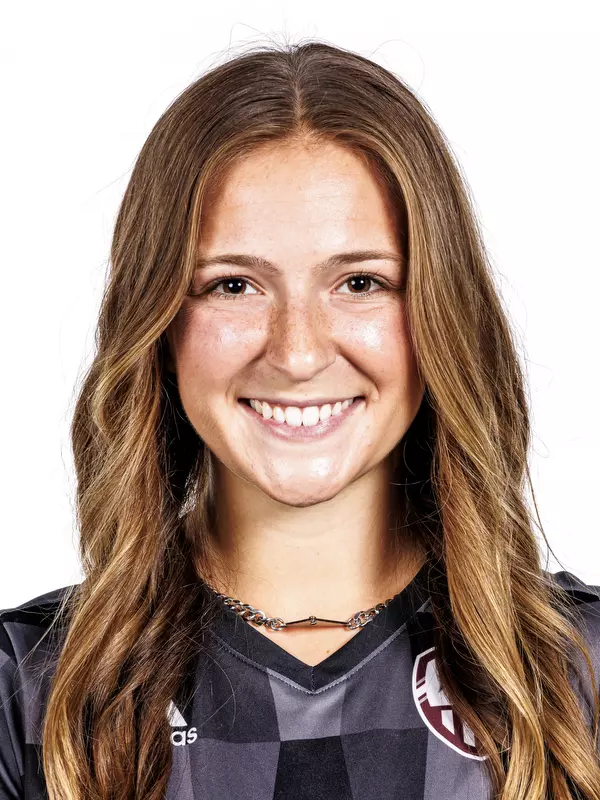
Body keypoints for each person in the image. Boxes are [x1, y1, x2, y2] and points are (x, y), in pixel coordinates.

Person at [1, 40, 599, 800]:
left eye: (360, 282)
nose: (298, 352)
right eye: (233, 286)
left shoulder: (580, 675)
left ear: (441, 313)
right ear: (159, 325)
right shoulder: (26, 694)